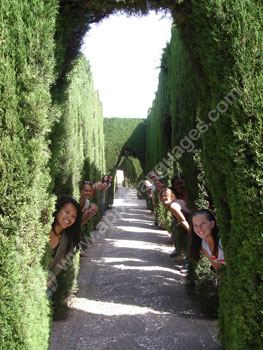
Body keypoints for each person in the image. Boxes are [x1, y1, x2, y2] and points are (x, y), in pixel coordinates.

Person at [46, 196, 82, 298]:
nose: (69, 218)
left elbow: (58, 266)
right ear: (58, 209)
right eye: (67, 212)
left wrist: (47, 281)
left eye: (73, 216)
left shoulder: (68, 242)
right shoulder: (42, 228)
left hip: (44, 283)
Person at [160, 188, 191, 268]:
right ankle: (187, 265)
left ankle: (187, 266)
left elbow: (182, 220)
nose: (164, 198)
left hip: (192, 223)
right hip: (191, 222)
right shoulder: (172, 204)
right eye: (162, 196)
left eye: (166, 196)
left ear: (171, 196)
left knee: (190, 245)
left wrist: (191, 232)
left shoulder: (173, 206)